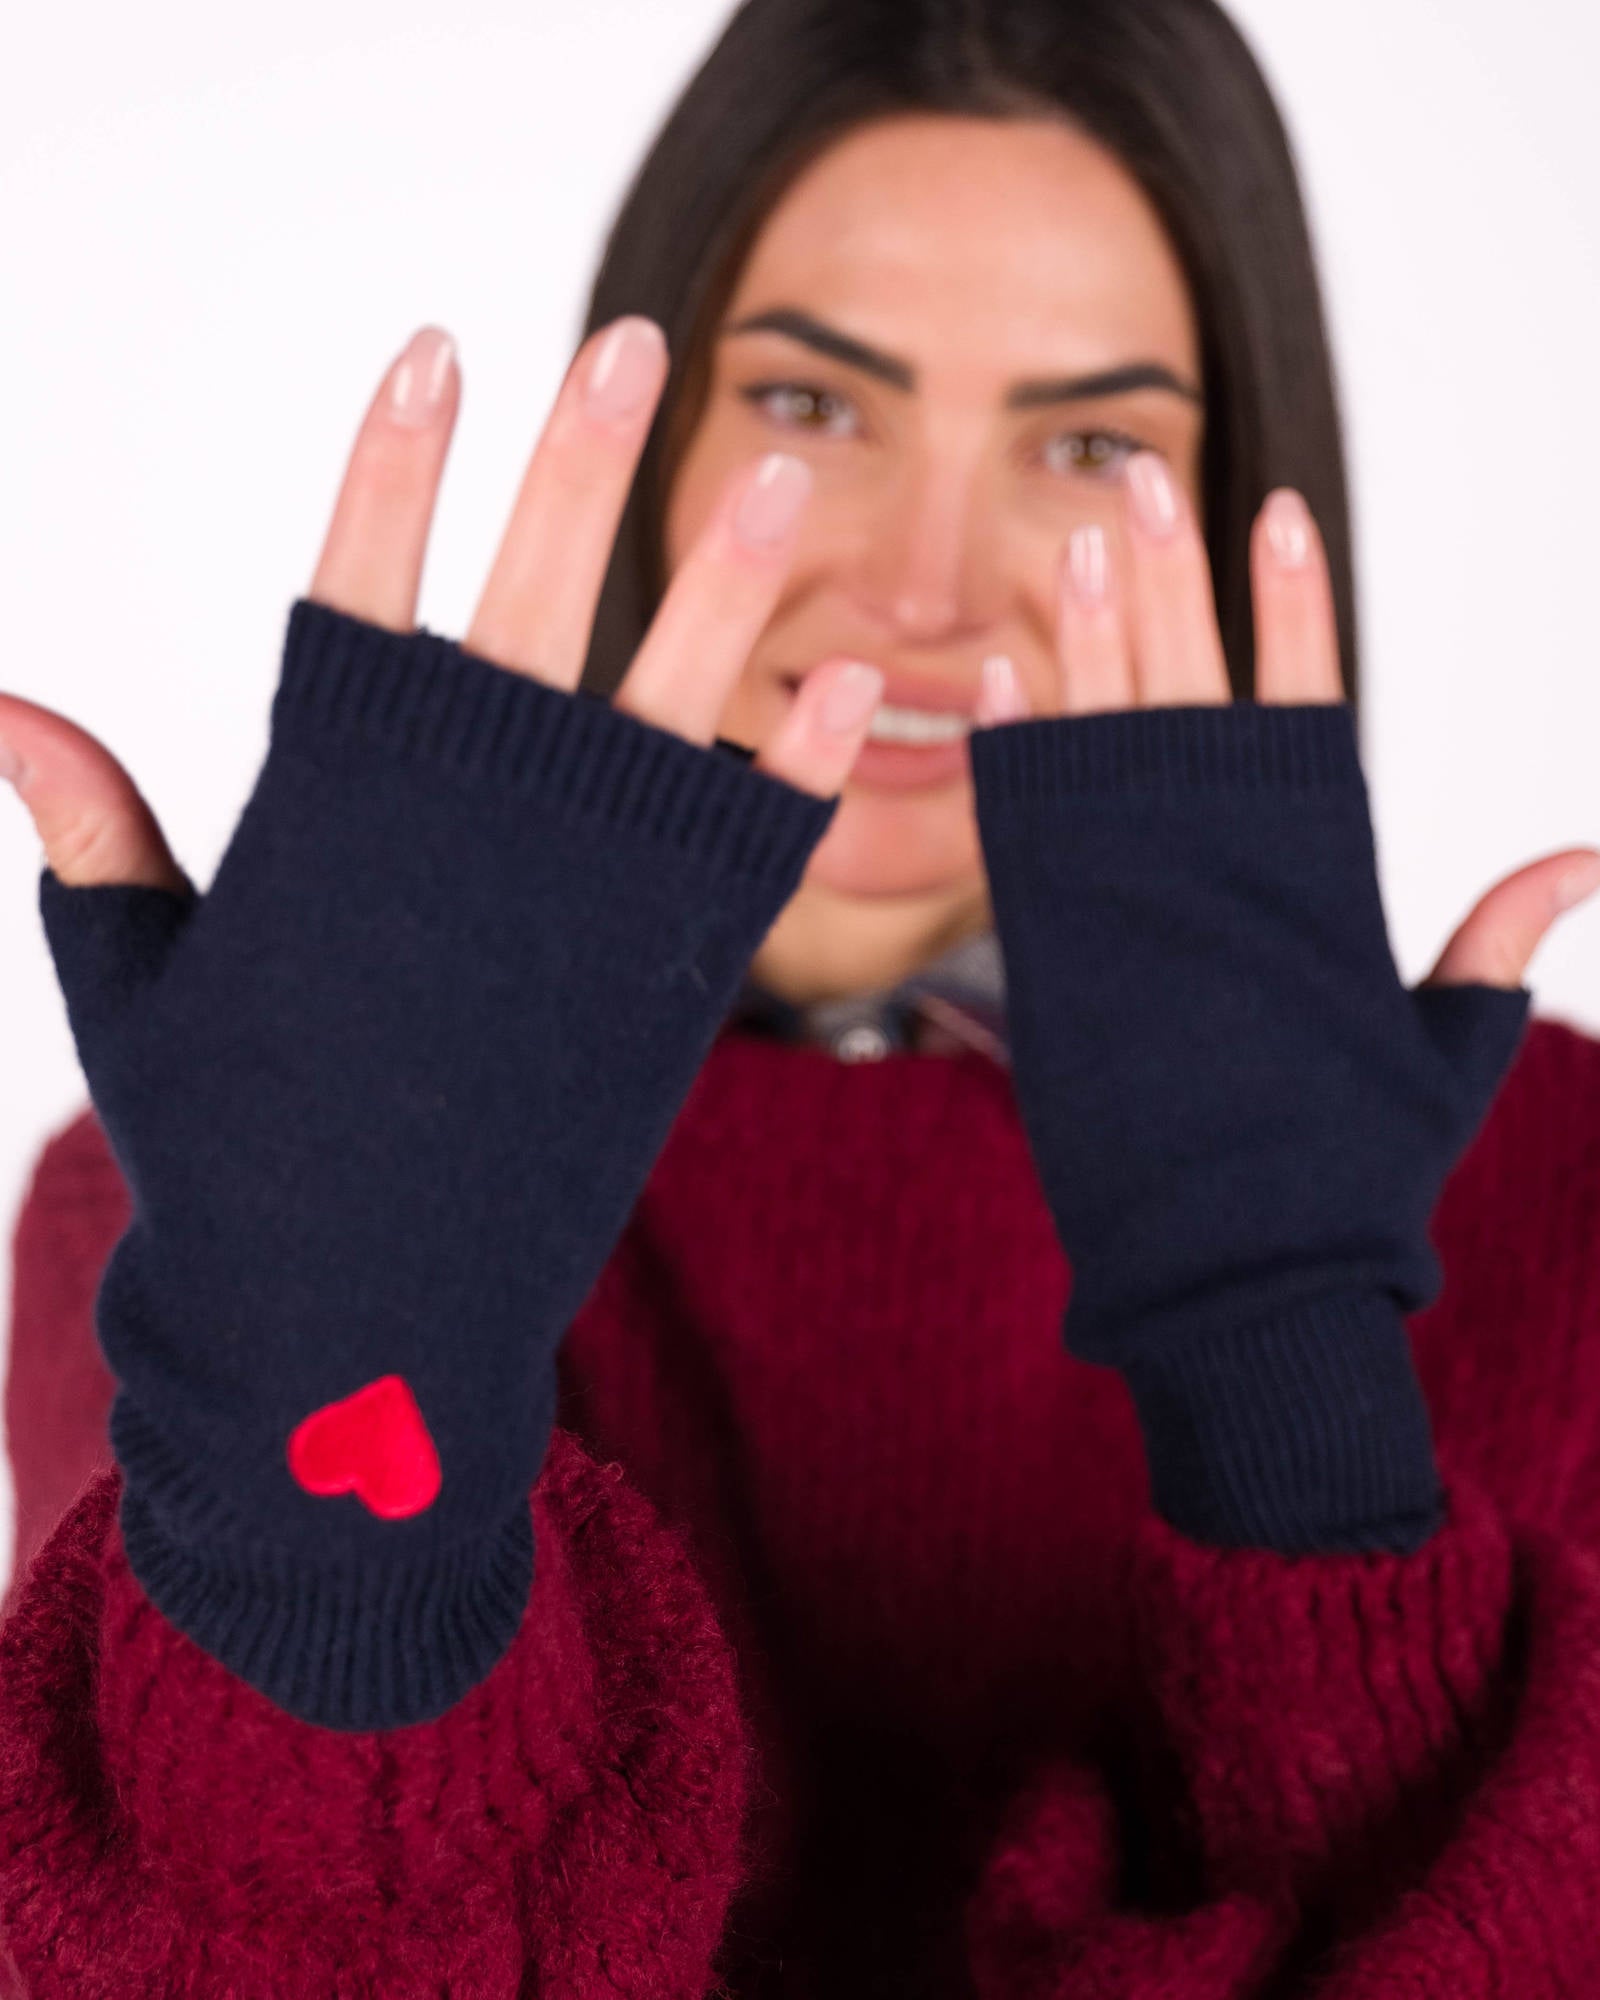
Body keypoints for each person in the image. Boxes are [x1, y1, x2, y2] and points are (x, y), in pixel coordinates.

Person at [3, 0, 1600, 1992]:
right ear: (660, 446)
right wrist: (325, 1516)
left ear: (1241, 498)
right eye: (813, 405)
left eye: (1089, 443)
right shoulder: (233, 1187)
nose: (923, 586)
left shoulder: (1545, 1193)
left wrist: (1286, 1366)